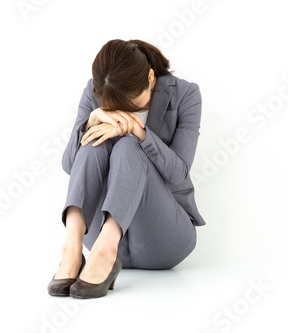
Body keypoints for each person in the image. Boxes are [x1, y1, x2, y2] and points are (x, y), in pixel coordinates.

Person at [47, 39, 206, 299]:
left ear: (151, 77)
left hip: (165, 237)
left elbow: (179, 173)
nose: (126, 110)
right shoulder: (94, 90)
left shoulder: (186, 94)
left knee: (128, 147)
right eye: (118, 106)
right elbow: (70, 165)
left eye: (134, 104)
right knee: (92, 143)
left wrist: (138, 131)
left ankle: (107, 251)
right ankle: (72, 249)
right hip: (95, 237)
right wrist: (89, 123)